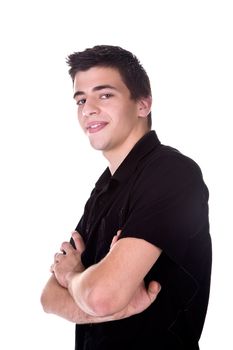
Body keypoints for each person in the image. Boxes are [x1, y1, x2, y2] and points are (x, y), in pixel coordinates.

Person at [40, 45, 212, 350]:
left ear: (143, 104)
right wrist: (103, 304)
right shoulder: (103, 190)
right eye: (81, 99)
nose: (88, 109)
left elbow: (99, 296)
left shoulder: (172, 173)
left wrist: (74, 276)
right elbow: (48, 297)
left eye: (104, 95)